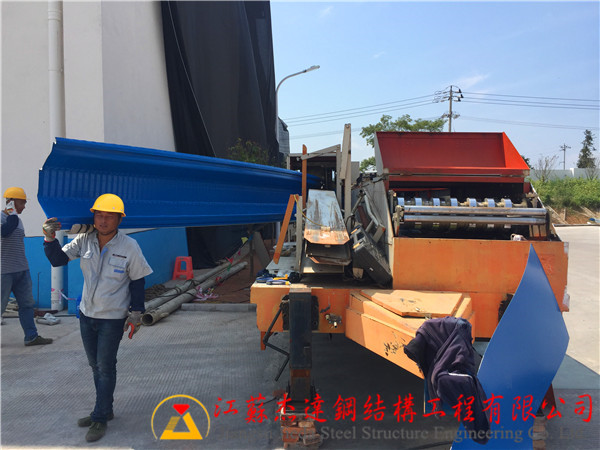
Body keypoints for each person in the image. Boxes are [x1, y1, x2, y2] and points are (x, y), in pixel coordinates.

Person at [43, 193, 152, 443]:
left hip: (112, 318)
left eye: (109, 216)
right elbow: (58, 259)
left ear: (119, 220)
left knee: (105, 367)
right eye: (99, 215)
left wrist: (136, 313)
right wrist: (49, 238)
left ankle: (100, 416)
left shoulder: (129, 246)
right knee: (96, 366)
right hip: (86, 315)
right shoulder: (84, 240)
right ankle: (105, 409)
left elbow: (138, 281)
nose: (103, 221)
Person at [1, 187, 53, 345]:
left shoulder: (18, 221)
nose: (24, 206)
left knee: (27, 305)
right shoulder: (4, 218)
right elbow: (5, 231)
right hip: (3, 271)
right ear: (11, 202)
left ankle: (31, 336)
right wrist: (12, 214)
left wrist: (14, 216)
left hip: (22, 270)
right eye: (22, 203)